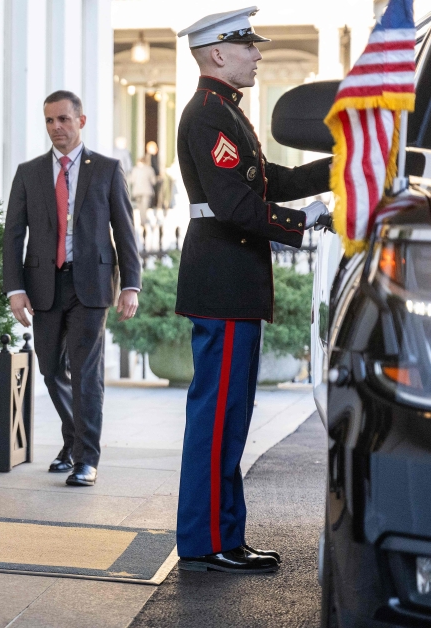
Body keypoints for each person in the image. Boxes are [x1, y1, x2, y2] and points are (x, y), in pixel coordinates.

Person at [174, 8, 331, 572]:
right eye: (249, 47)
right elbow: (236, 206)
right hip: (223, 280)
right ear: (218, 53)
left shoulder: (227, 114)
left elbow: (272, 182)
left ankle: (221, 535)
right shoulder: (208, 116)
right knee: (218, 418)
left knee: (230, 416)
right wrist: (305, 223)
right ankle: (208, 540)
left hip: (231, 280)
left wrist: (336, 169)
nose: (257, 55)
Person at [3, 90, 142, 487]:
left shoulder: (107, 169)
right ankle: (72, 439)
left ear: (81, 121)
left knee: (85, 373)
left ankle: (86, 459)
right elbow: (13, 234)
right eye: (49, 120)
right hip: (44, 285)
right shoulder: (29, 172)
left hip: (91, 284)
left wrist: (131, 284)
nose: (56, 128)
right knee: (50, 369)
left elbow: (125, 231)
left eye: (63, 119)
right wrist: (14, 289)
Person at [129, 157, 157, 229]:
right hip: (147, 191)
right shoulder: (149, 169)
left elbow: (132, 180)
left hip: (137, 191)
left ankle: (142, 221)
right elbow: (153, 181)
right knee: (144, 207)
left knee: (140, 207)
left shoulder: (134, 169)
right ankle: (143, 222)